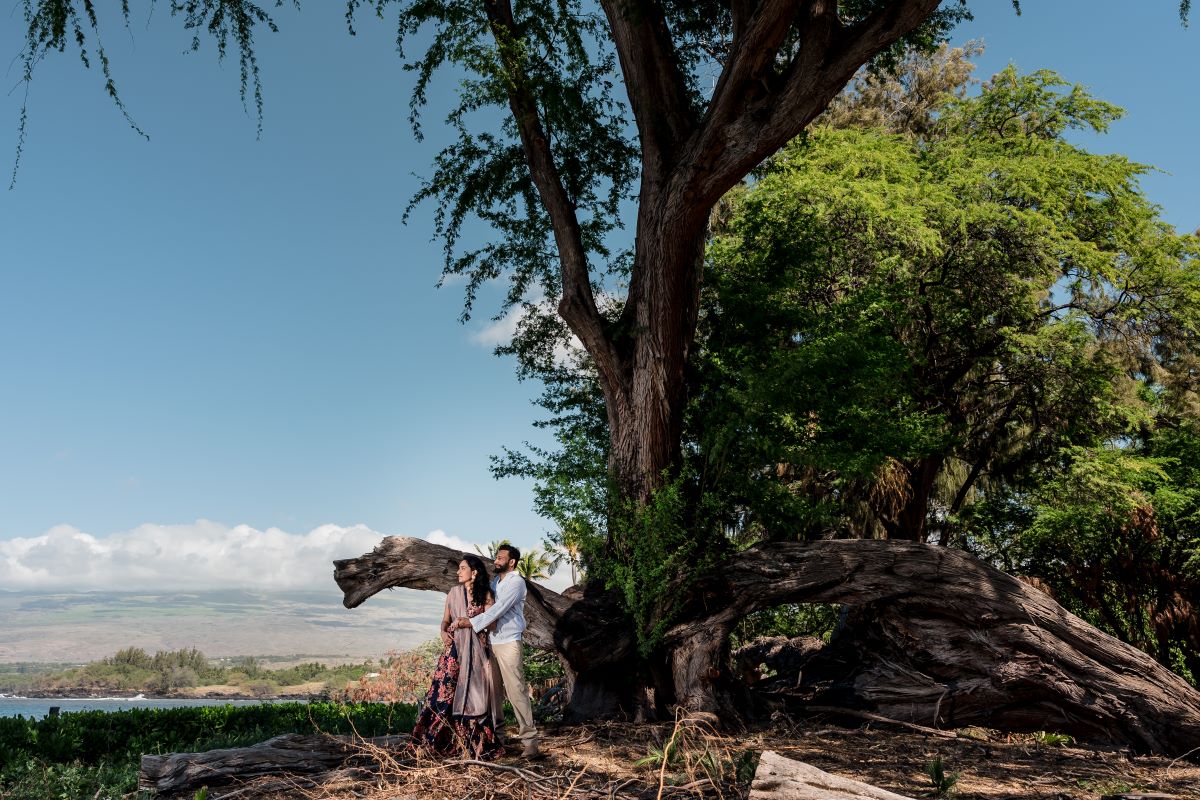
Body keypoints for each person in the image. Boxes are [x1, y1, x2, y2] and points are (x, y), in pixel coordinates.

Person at [411, 554, 504, 759]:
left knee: (475, 694)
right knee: (445, 694)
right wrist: (444, 633)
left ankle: (472, 742)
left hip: (476, 653)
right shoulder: (453, 593)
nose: (458, 572)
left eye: (462, 568)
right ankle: (439, 740)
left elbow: (493, 624)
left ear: (474, 571)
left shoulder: (486, 594)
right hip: (453, 653)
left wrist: (468, 622)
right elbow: (444, 621)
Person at [451, 543, 539, 758]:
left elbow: (498, 610)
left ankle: (530, 743)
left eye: (500, 558)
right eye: (496, 557)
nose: (496, 560)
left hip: (509, 642)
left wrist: (469, 622)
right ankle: (498, 739)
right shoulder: (493, 583)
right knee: (494, 693)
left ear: (512, 562)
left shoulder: (516, 582)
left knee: (515, 690)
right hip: (490, 642)